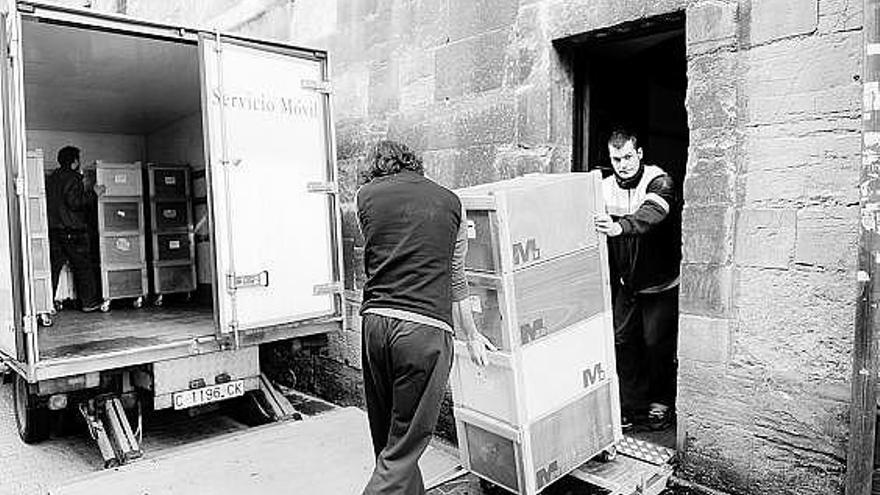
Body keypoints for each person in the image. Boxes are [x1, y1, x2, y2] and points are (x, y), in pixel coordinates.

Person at [357, 140, 494, 495]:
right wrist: (473, 334)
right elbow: (456, 276)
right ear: (414, 164)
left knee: (388, 441)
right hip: (425, 331)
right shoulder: (451, 202)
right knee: (402, 449)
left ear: (376, 168)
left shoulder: (365, 196)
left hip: (375, 324)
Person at [593, 129, 681, 431]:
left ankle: (661, 402)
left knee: (656, 345)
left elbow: (653, 213)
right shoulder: (601, 189)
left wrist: (619, 227)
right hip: (626, 285)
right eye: (616, 158)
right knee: (622, 342)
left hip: (660, 284)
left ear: (639, 154)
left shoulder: (659, 180)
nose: (623, 164)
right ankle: (630, 406)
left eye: (628, 157)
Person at [47, 146, 103, 312]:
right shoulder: (73, 178)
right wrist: (94, 193)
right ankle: (89, 303)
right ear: (74, 162)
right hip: (72, 231)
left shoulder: (52, 178)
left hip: (55, 231)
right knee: (83, 267)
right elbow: (75, 203)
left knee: (53, 270)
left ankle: (46, 303)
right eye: (79, 159)